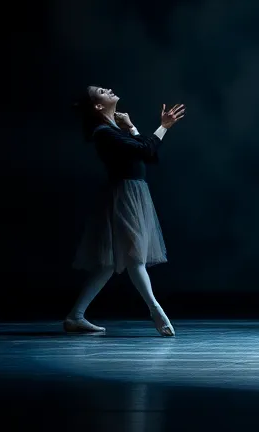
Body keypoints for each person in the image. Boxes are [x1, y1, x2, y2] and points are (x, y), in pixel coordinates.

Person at [65, 87, 185, 336]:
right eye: (101, 91)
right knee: (134, 257)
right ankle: (156, 310)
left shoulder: (113, 131)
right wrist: (163, 127)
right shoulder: (103, 133)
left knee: (108, 265)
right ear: (98, 106)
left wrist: (131, 127)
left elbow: (148, 156)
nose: (108, 90)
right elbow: (145, 150)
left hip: (133, 193)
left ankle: (75, 316)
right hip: (124, 196)